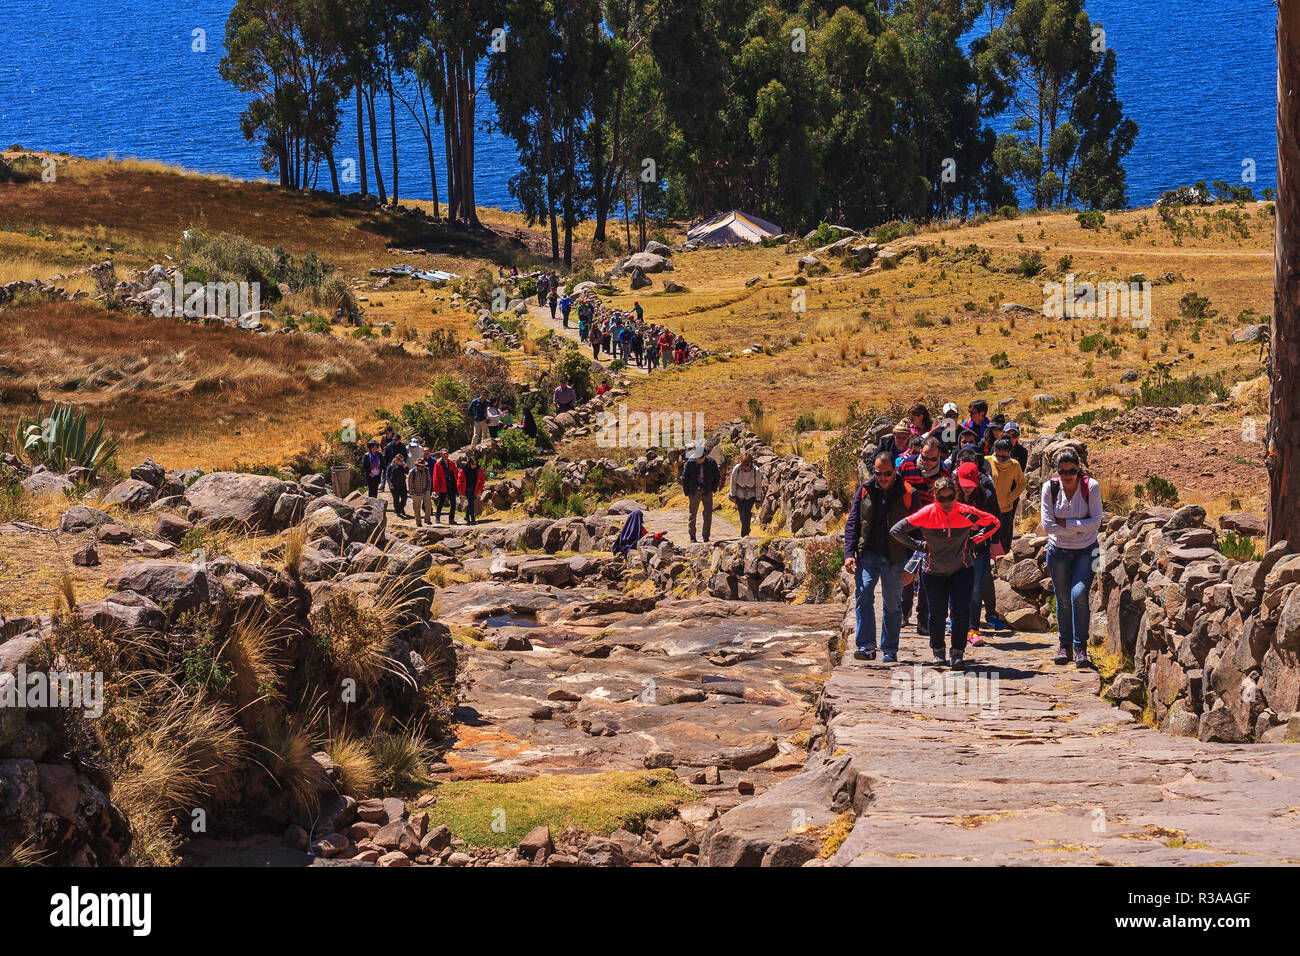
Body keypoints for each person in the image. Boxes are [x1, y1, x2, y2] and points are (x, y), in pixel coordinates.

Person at [890, 475, 999, 671]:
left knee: (960, 612)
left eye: (950, 497)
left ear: (956, 495)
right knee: (937, 614)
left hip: (962, 569)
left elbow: (993, 523)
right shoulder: (927, 513)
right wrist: (921, 546)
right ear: (934, 497)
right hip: (933, 571)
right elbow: (896, 531)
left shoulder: (966, 512)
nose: (947, 502)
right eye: (942, 498)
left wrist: (973, 541)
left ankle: (957, 653)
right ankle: (938, 651)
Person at [844, 450, 915, 662]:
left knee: (892, 604)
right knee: (864, 594)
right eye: (878, 473)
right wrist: (849, 553)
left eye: (887, 473)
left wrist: (912, 566)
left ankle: (889, 649)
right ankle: (866, 646)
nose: (882, 478)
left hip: (897, 556)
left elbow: (920, 530)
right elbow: (853, 523)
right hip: (869, 554)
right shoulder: (865, 490)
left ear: (895, 470)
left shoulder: (909, 492)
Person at [1042, 449, 1102, 667]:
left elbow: (1096, 522)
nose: (1067, 475)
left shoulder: (1091, 487)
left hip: (1089, 550)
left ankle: (1080, 647)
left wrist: (1065, 524)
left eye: (1072, 471)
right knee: (1063, 599)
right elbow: (1048, 525)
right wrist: (1079, 526)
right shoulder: (1050, 488)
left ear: (1079, 470)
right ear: (1057, 470)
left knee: (1079, 594)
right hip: (1057, 551)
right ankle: (1065, 645)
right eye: (1063, 471)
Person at [956, 460, 999, 646]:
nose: (967, 489)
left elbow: (994, 522)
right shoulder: (951, 494)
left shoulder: (987, 496)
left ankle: (973, 629)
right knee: (955, 588)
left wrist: (979, 536)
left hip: (978, 549)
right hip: (955, 548)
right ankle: (957, 623)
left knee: (975, 589)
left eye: (970, 486)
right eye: (964, 485)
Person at [681, 445, 720, 543]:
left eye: (700, 458)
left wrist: (713, 488)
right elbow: (685, 478)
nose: (698, 459)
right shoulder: (690, 462)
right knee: (692, 514)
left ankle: (706, 536)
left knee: (708, 514)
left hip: (707, 490)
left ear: (706, 455)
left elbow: (717, 476)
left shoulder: (711, 462)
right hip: (694, 491)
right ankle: (692, 536)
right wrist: (687, 492)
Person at [728, 451, 763, 538]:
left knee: (746, 513)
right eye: (744, 464)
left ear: (751, 463)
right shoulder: (737, 469)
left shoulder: (756, 471)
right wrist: (733, 495)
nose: (746, 467)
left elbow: (758, 486)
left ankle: (744, 536)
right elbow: (733, 482)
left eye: (747, 465)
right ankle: (747, 528)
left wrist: (758, 500)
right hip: (739, 495)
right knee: (742, 515)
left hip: (750, 496)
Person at [432, 448, 460, 524]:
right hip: (442, 486)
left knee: (453, 503)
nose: (445, 455)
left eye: (446, 454)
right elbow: (435, 477)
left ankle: (451, 519)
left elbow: (456, 474)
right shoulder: (438, 464)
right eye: (443, 454)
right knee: (441, 503)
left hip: (451, 485)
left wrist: (457, 485)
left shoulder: (451, 463)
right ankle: (437, 518)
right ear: (441, 455)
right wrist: (436, 489)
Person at [458, 454, 486, 525]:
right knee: (471, 503)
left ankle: (467, 516)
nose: (475, 465)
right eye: (473, 464)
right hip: (467, 489)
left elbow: (482, 479)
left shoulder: (478, 469)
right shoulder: (464, 469)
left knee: (470, 503)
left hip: (475, 489)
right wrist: (459, 490)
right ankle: (472, 519)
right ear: (470, 463)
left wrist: (479, 489)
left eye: (476, 464)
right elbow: (459, 480)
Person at [408, 454, 433, 527]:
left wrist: (428, 489)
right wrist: (412, 492)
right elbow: (410, 483)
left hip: (425, 491)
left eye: (423, 466)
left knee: (428, 505)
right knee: (416, 508)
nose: (422, 467)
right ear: (417, 465)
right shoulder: (412, 472)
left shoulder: (426, 470)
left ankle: (427, 519)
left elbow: (429, 480)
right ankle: (418, 522)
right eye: (420, 466)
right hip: (416, 492)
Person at [386, 452, 409, 518]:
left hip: (402, 484)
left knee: (404, 498)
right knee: (396, 499)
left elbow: (407, 472)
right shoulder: (391, 466)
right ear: (396, 460)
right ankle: (397, 511)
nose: (402, 462)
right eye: (400, 461)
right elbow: (387, 476)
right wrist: (390, 484)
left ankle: (401, 508)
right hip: (394, 485)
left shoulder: (402, 465)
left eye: (403, 460)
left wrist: (405, 467)